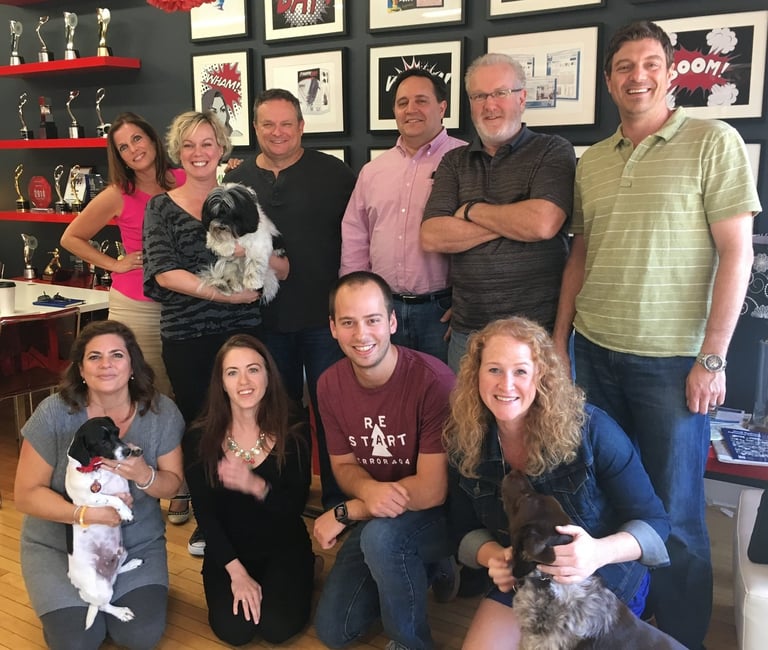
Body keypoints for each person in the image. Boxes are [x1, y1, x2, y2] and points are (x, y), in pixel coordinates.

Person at [551, 21, 761, 649]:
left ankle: (683, 638)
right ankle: (611, 632)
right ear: (609, 79)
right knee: (606, 504)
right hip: (593, 353)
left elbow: (738, 255)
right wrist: (560, 345)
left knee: (676, 516)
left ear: (671, 73)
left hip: (673, 364)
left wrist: (713, 359)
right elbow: (579, 258)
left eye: (649, 63)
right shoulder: (591, 161)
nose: (636, 76)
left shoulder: (712, 141)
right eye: (623, 66)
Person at [443, 317, 671, 649]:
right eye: (494, 370)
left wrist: (596, 552)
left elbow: (656, 524)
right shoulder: (464, 438)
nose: (506, 385)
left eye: (520, 371)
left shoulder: (593, 430)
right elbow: (461, 529)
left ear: (542, 376)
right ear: (475, 374)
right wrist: (493, 556)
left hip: (603, 585)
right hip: (528, 584)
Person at [143, 110, 289, 554]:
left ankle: (255, 510)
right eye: (188, 145)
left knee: (250, 423)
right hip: (188, 338)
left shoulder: (244, 198)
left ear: (221, 147)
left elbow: (280, 263)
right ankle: (210, 521)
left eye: (207, 143)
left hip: (242, 338)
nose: (198, 153)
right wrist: (229, 295)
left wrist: (255, 255)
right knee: (201, 429)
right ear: (177, 153)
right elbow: (165, 274)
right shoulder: (161, 207)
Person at [14, 320, 185, 650]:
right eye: (94, 357)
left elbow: (173, 485)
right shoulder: (54, 413)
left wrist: (143, 475)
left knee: (139, 635)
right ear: (80, 369)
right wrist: (86, 515)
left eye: (117, 355)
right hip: (60, 547)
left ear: (133, 364)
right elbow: (25, 495)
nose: (106, 364)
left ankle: (142, 587)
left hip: (134, 544)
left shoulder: (161, 413)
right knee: (77, 641)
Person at [224, 88, 356, 510]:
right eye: (267, 124)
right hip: (262, 322)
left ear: (301, 126)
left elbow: (360, 237)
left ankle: (338, 499)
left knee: (331, 411)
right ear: (256, 129)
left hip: (324, 318)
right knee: (277, 415)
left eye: (286, 124)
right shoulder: (237, 179)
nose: (277, 132)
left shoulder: (335, 174)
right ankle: (289, 496)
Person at [313, 271, 457, 650]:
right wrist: (368, 492)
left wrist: (350, 510)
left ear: (392, 322)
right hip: (383, 507)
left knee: (381, 541)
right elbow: (342, 466)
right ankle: (426, 569)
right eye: (348, 322)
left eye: (373, 320)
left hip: (439, 512)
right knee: (333, 630)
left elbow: (431, 489)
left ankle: (411, 642)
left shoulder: (433, 381)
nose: (362, 335)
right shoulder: (328, 384)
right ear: (333, 329)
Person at [421, 53, 576, 372]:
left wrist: (471, 210)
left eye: (500, 93)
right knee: (468, 423)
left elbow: (544, 223)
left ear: (521, 98)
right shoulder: (454, 162)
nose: (489, 105)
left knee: (540, 423)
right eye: (479, 96)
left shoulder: (553, 150)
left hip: (537, 334)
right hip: (468, 334)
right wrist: (515, 219)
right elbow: (433, 235)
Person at [185, 334, 314, 646]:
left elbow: (294, 509)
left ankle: (309, 568)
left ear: (268, 375)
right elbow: (205, 514)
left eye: (253, 369)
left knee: (277, 628)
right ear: (221, 382)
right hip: (228, 552)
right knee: (235, 631)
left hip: (283, 545)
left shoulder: (293, 431)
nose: (244, 381)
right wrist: (236, 573)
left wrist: (255, 485)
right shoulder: (199, 438)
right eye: (232, 372)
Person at [340, 69, 466, 364]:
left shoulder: (465, 160)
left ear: (442, 107)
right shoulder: (374, 171)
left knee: (446, 399)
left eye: (421, 100)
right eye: (402, 103)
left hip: (444, 311)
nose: (410, 110)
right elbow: (356, 237)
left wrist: (469, 301)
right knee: (391, 395)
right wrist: (355, 302)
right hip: (383, 311)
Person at [60, 112, 184, 400]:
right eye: (123, 147)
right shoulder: (118, 194)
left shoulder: (184, 179)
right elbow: (71, 238)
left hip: (184, 303)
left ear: (153, 139)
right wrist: (114, 264)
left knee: (187, 388)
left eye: (137, 138)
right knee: (150, 392)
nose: (134, 149)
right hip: (138, 307)